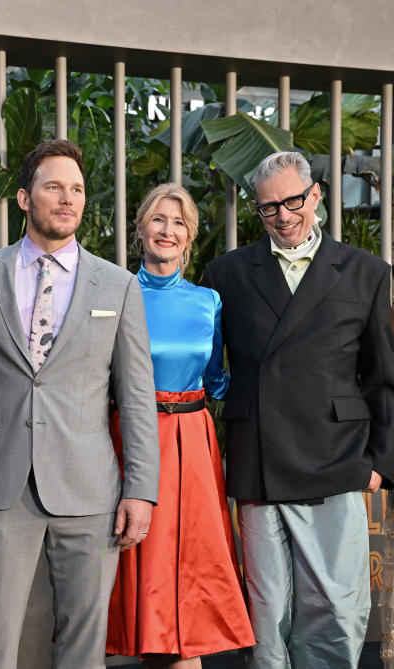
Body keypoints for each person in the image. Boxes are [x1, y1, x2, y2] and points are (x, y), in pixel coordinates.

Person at [0, 138, 159, 668]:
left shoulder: (117, 285)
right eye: (53, 187)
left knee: (83, 645)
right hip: (0, 483)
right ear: (25, 198)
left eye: (76, 189)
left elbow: (137, 395)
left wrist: (141, 490)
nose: (67, 199)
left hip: (92, 490)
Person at [202, 151, 394, 668]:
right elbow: (204, 367)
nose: (284, 216)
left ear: (315, 197)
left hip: (336, 457)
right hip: (258, 458)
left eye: (293, 201)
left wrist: (378, 464)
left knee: (335, 608)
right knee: (267, 613)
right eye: (269, 208)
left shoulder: (366, 272)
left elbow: (383, 379)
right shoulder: (226, 272)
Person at [105, 183, 254, 667]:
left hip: (192, 443)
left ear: (189, 237)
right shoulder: (114, 292)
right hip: (131, 437)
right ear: (140, 228)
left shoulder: (208, 302)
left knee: (191, 569)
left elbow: (217, 381)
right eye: (158, 220)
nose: (167, 231)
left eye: (179, 223)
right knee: (141, 566)